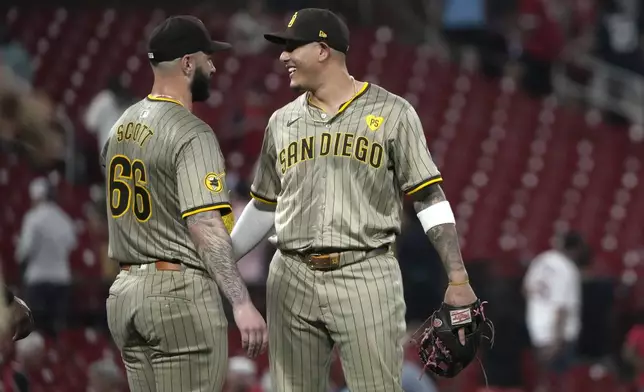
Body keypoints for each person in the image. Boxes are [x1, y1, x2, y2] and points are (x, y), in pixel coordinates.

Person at [230, 8, 479, 392]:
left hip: (364, 271)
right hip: (291, 272)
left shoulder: (393, 113)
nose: (283, 57)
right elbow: (265, 205)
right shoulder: (281, 122)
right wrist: (221, 259)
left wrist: (458, 277)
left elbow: (429, 196)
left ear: (323, 50)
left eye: (293, 46)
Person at [100, 15, 267, 391]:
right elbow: (204, 224)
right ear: (187, 63)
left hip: (126, 292)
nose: (213, 65)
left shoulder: (120, 125)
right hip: (177, 296)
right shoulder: (192, 132)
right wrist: (240, 302)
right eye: (207, 57)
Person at [523, 231, 589, 392]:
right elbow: (562, 308)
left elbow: (525, 289)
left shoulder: (541, 261)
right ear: (577, 249)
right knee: (559, 383)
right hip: (559, 337)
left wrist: (541, 303)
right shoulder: (568, 268)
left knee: (543, 382)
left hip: (537, 331)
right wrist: (556, 341)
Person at [16, 177, 76, 337]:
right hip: (61, 281)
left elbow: (24, 251)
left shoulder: (32, 218)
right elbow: (72, 244)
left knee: (36, 330)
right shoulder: (64, 219)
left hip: (38, 281)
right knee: (56, 331)